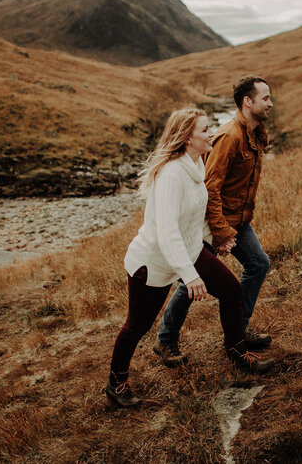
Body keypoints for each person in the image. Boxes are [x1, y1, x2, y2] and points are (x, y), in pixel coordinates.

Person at [106, 108, 273, 409]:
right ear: (187, 138)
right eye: (205, 130)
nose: (212, 134)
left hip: (188, 249)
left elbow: (193, 219)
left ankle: (236, 350)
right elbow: (168, 231)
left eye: (210, 128)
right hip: (153, 262)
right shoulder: (172, 175)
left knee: (232, 291)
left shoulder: (196, 165)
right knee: (137, 326)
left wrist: (215, 240)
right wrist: (190, 275)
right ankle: (116, 382)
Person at [154, 76, 274, 368]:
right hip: (219, 221)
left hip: (239, 220)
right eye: (265, 98)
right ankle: (166, 339)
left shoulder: (256, 133)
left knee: (258, 264)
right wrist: (220, 232)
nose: (270, 103)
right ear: (248, 102)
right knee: (194, 277)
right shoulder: (230, 136)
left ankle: (238, 331)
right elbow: (210, 186)